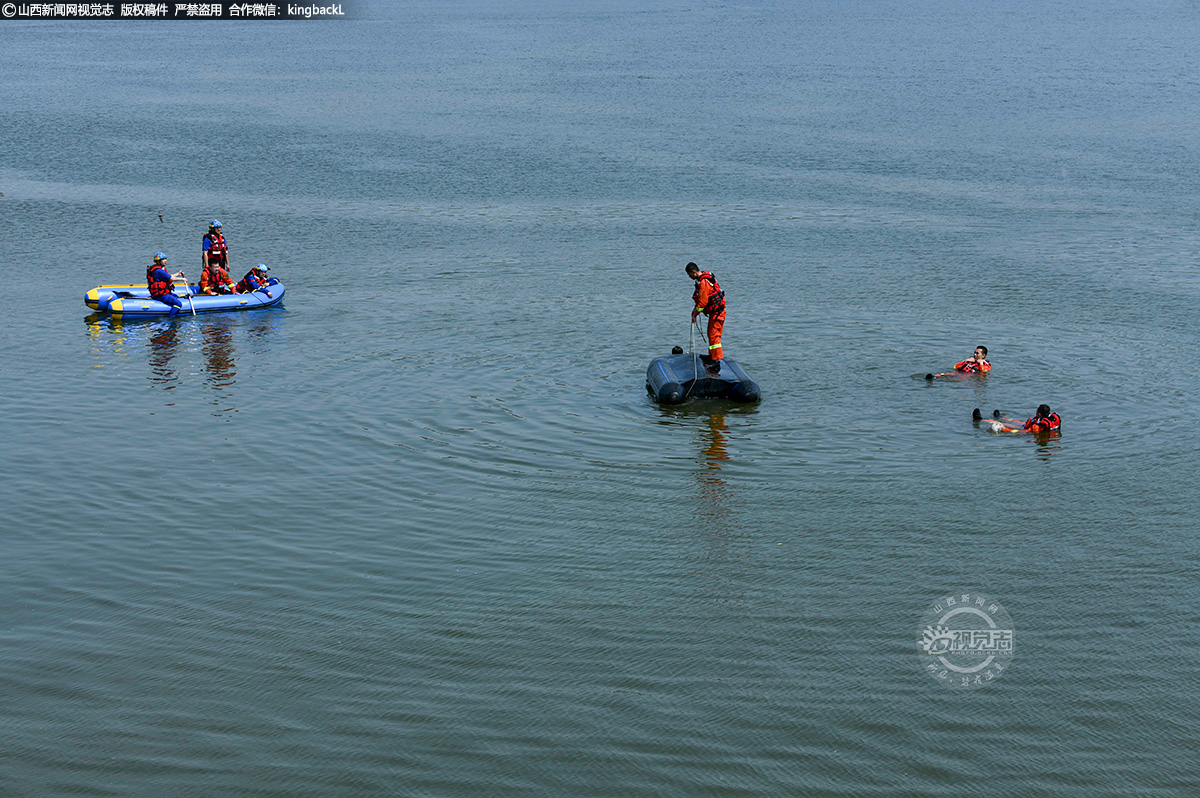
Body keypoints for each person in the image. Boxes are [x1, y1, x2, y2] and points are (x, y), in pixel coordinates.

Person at [686, 261, 726, 374]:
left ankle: (716, 361)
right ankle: (712, 356)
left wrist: (695, 314)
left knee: (714, 335)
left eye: (689, 275)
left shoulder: (704, 282)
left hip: (718, 312)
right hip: (714, 311)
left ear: (694, 272)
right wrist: (695, 310)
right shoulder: (701, 279)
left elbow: (703, 302)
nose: (689, 277)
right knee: (710, 334)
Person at [146, 252, 186, 317]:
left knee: (176, 296)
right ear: (158, 261)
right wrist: (182, 279)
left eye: (165, 259)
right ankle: (171, 318)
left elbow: (168, 276)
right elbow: (171, 278)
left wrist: (178, 274)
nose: (165, 261)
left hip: (160, 293)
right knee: (178, 304)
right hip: (161, 295)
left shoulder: (158, 270)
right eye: (163, 259)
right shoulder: (159, 271)